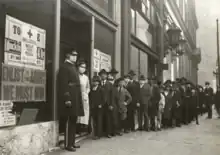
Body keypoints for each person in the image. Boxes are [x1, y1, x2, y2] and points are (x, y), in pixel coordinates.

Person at [57, 50, 84, 152]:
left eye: (76, 55)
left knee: (74, 120)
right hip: (70, 97)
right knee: (69, 121)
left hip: (75, 96)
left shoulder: (72, 67)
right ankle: (68, 144)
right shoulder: (64, 67)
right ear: (68, 55)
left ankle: (72, 142)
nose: (75, 57)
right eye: (73, 55)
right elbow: (63, 84)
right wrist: (67, 98)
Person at [99, 69, 114, 138]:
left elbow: (112, 95)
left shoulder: (110, 84)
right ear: (100, 76)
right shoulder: (98, 83)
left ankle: (108, 133)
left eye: (104, 74)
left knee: (108, 119)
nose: (103, 76)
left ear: (106, 76)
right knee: (100, 118)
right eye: (102, 74)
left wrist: (111, 104)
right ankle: (100, 133)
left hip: (108, 104)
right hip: (100, 104)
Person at [77, 59, 90, 133]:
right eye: (81, 66)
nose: (83, 68)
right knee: (78, 113)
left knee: (84, 112)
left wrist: (86, 93)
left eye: (84, 67)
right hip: (77, 95)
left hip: (84, 96)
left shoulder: (86, 77)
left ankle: (82, 128)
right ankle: (77, 128)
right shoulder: (76, 75)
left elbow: (88, 87)